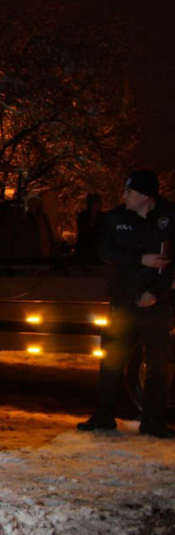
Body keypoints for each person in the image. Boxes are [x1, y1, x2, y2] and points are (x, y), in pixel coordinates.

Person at [79, 170, 175, 438]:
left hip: (156, 304)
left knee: (157, 363)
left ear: (146, 196)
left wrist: (155, 292)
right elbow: (105, 251)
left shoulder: (169, 218)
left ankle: (153, 421)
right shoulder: (117, 218)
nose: (124, 196)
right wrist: (140, 259)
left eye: (129, 192)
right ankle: (104, 416)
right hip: (124, 301)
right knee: (111, 359)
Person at [75, 193, 104, 260]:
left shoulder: (103, 216)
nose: (101, 205)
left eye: (100, 203)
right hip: (85, 247)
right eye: (98, 203)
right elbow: (83, 232)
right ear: (92, 204)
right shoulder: (83, 216)